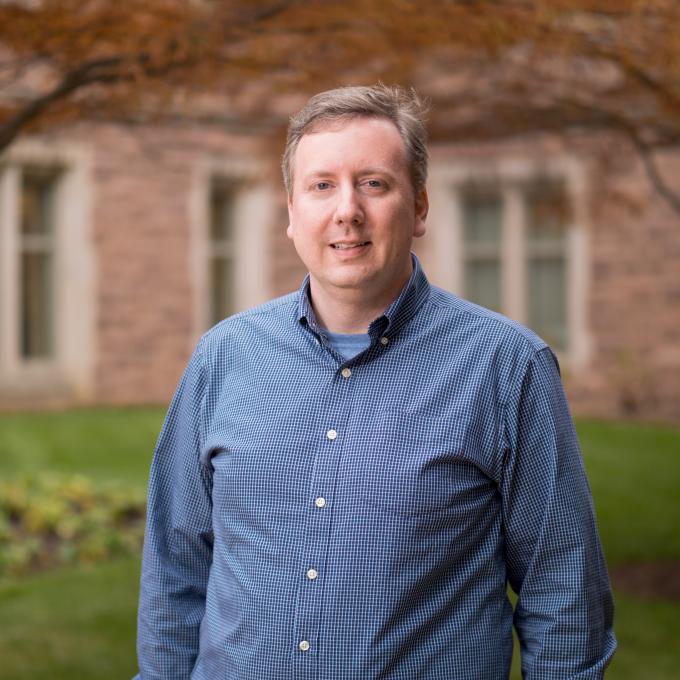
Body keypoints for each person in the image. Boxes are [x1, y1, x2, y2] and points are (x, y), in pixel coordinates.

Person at [135, 84, 616, 679]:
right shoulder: (224, 358)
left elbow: (563, 593)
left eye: (374, 183)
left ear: (418, 208)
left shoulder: (507, 367)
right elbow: (174, 570)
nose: (347, 211)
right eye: (322, 186)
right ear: (291, 211)